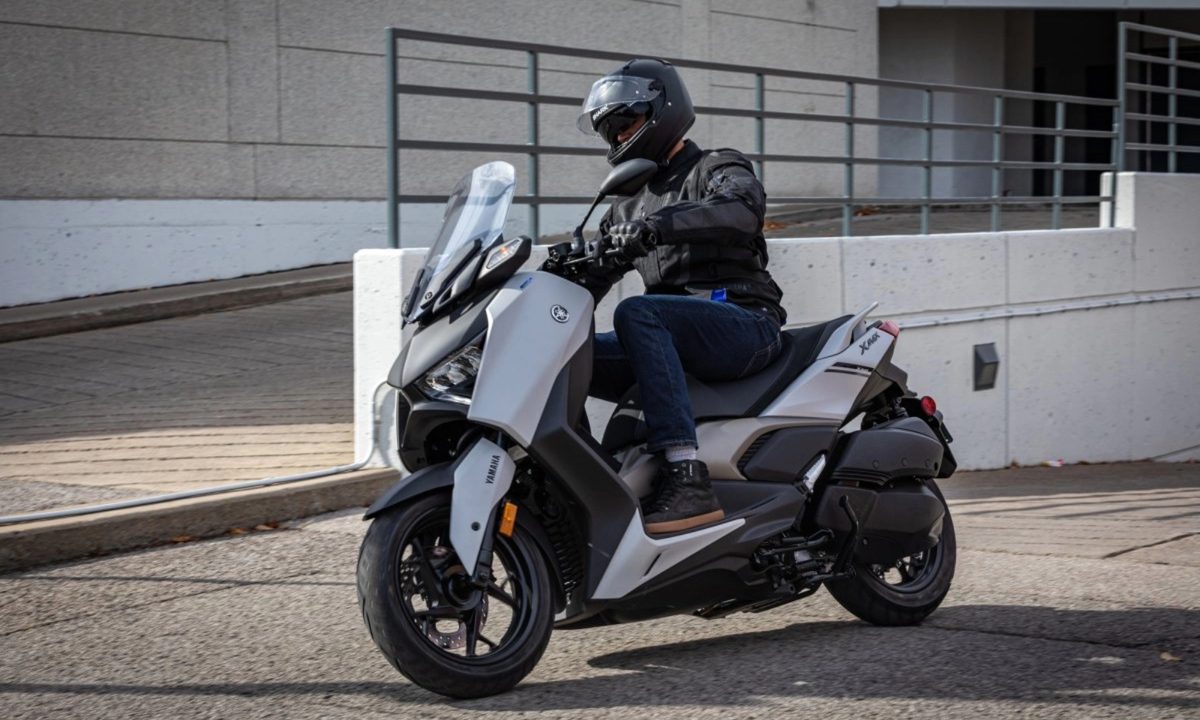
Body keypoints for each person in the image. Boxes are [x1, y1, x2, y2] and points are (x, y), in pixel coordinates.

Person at [564, 58, 788, 534]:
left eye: (626, 122)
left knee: (637, 311)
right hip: (668, 336)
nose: (619, 136)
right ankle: (581, 484)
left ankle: (686, 476)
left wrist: (657, 227)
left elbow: (741, 209)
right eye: (611, 131)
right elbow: (591, 280)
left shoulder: (716, 166)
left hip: (743, 321)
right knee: (563, 355)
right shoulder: (625, 204)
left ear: (663, 110)